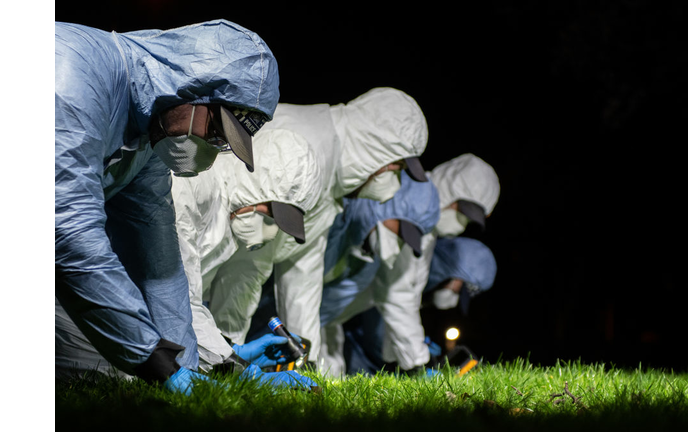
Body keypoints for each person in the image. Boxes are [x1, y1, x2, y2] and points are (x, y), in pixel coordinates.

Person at [55, 19, 279, 394]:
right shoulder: (70, 74)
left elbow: (156, 259)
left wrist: (190, 370)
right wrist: (154, 359)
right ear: (193, 87)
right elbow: (65, 229)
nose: (211, 147)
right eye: (216, 132)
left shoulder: (145, 137)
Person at [57, 129, 320, 389]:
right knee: (118, 385)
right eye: (271, 212)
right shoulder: (190, 186)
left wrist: (232, 349)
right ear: (257, 181)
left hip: (121, 311)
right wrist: (235, 367)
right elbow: (171, 301)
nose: (270, 229)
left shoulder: (222, 210)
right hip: (79, 303)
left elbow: (182, 307)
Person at [204, 87, 431, 365]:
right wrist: (220, 347)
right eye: (396, 168)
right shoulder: (301, 145)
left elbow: (303, 273)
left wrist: (306, 357)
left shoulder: (331, 176)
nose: (393, 185)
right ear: (377, 150)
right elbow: (236, 258)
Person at [337, 153, 501, 373]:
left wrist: (404, 356)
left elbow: (407, 295)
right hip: (323, 299)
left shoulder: (428, 233)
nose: (461, 224)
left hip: (333, 312)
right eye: (461, 211)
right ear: (449, 188)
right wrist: (417, 363)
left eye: (468, 219)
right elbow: (396, 294)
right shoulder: (409, 207)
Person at [317, 170, 440, 376]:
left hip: (307, 323)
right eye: (399, 230)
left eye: (405, 238)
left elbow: (327, 310)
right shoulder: (334, 218)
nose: (398, 242)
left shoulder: (367, 257)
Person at [342, 236, 498, 376]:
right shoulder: (413, 260)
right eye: (460, 288)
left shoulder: (426, 280)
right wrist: (416, 364)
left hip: (355, 336)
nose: (455, 298)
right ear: (455, 272)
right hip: (348, 338)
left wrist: (418, 345)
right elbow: (388, 314)